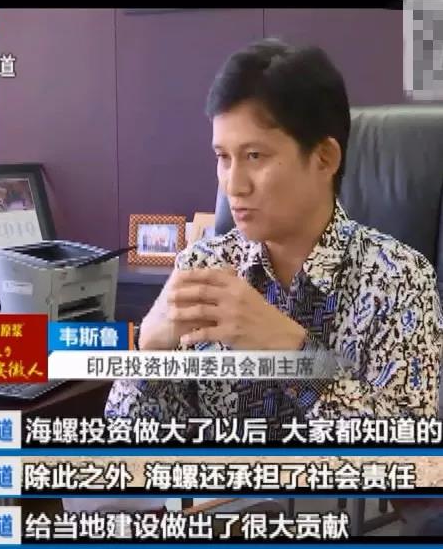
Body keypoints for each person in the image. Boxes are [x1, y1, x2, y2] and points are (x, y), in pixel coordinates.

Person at [104, 38, 443, 533]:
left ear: (324, 157)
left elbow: (414, 468)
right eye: (223, 157)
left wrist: (293, 353)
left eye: (255, 156)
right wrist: (149, 355)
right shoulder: (203, 268)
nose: (233, 185)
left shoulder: (399, 279)